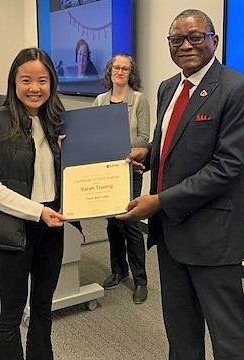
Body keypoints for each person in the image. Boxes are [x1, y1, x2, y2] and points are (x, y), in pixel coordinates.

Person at [117, 9, 244, 360]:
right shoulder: (169, 87)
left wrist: (160, 201)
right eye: (176, 39)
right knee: (180, 330)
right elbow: (169, 144)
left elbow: (228, 167)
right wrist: (146, 154)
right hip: (170, 234)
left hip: (213, 235)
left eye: (196, 36)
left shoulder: (239, 88)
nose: (186, 45)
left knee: (229, 336)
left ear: (215, 39)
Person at [0, 47, 67, 360]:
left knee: (43, 310)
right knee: (11, 315)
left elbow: (77, 173)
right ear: (13, 82)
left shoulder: (59, 124)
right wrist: (36, 211)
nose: (35, 88)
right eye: (26, 80)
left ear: (51, 83)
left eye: (42, 80)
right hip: (14, 228)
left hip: (52, 226)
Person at [93, 54, 151, 304]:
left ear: (131, 73)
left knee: (131, 225)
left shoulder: (139, 100)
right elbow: (93, 133)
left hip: (129, 170)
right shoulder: (100, 100)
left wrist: (118, 148)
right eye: (116, 67)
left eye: (125, 68)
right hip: (106, 171)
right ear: (110, 71)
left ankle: (140, 280)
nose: (120, 71)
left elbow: (144, 138)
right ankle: (118, 270)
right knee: (112, 224)